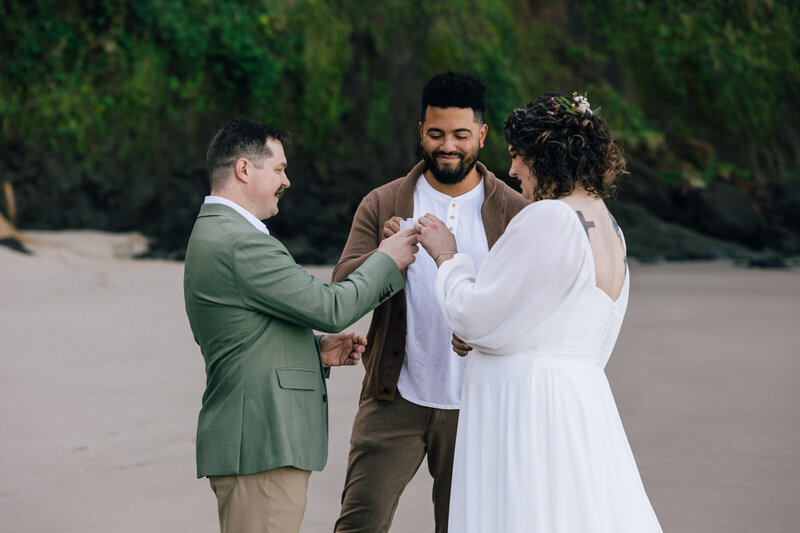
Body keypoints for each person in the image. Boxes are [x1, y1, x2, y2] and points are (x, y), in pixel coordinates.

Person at [415, 93, 663, 532]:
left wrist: (449, 258)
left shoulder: (546, 217)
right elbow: (575, 324)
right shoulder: (610, 226)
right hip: (582, 399)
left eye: (517, 157)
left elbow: (473, 316)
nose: (512, 170)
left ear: (543, 156)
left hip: (527, 408)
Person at [183, 119, 419, 533]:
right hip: (262, 443)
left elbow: (245, 333)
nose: (286, 181)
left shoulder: (217, 232)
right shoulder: (242, 242)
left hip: (253, 443)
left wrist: (315, 351)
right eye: (278, 169)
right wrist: (388, 257)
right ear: (243, 170)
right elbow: (332, 306)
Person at [331, 72, 529, 532]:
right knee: (358, 524)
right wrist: (384, 259)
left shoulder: (516, 211)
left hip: (479, 403)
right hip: (392, 395)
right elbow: (341, 286)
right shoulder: (382, 203)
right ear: (421, 130)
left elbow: (530, 307)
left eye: (461, 135)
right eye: (436, 133)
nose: (448, 146)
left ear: (481, 136)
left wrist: (484, 331)